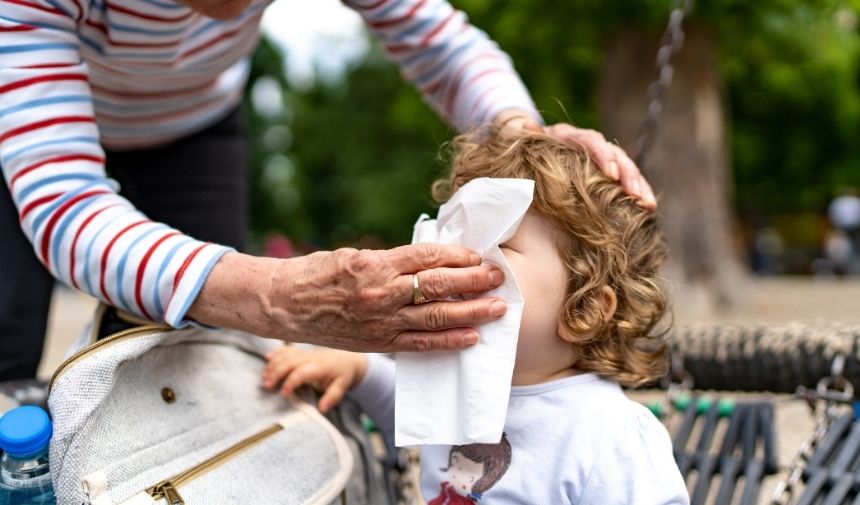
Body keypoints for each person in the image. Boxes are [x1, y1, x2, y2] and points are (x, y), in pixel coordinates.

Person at [0, 0, 656, 380]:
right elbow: (67, 207)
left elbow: (442, 46)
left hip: (194, 125)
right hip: (22, 131)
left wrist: (529, 146)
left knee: (204, 363)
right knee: (9, 336)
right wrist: (279, 294)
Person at [262, 128, 688, 504]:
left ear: (585, 309)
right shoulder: (456, 380)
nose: (454, 260)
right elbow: (410, 404)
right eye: (455, 236)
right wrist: (357, 369)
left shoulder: (608, 435)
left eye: (497, 243)